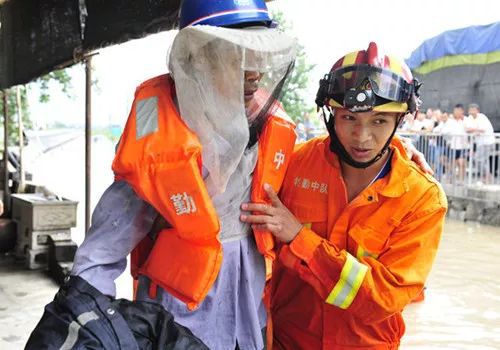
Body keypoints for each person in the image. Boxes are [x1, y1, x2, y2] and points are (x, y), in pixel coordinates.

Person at [69, 1, 297, 349]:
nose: (255, 74)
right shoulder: (162, 139)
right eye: (238, 57)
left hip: (247, 313)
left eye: (258, 56)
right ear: (200, 57)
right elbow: (101, 252)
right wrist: (86, 321)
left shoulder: (265, 120)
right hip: (177, 321)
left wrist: (399, 155)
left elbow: (315, 162)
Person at [240, 42, 448, 349]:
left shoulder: (421, 199)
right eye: (349, 118)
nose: (362, 137)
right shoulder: (292, 165)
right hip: (287, 341)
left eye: (379, 121)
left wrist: (299, 238)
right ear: (331, 115)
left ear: (398, 123)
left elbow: (384, 299)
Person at [465, 103, 495, 184]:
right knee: (482, 160)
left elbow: (483, 129)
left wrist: (474, 129)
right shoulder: (469, 118)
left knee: (480, 159)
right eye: (470, 110)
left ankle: (486, 176)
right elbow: (467, 129)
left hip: (487, 142)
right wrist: (476, 130)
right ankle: (487, 176)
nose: (471, 111)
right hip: (479, 143)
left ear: (477, 110)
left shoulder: (482, 117)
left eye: (473, 110)